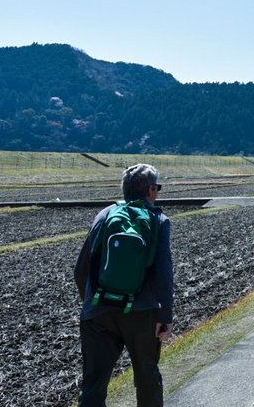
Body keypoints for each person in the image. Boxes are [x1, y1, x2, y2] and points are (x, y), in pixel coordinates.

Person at [74, 164, 174, 407]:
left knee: (94, 384)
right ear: (150, 189)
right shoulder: (158, 220)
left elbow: (81, 268)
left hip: (98, 313)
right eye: (157, 187)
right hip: (142, 315)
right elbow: (163, 274)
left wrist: (90, 302)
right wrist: (165, 315)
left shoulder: (104, 215)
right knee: (146, 377)